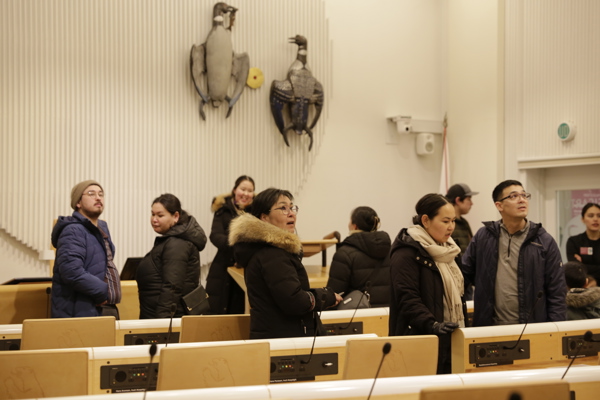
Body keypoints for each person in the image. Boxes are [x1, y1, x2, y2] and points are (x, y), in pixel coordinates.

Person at [229, 188, 342, 339]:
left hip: (281, 335)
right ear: (264, 217)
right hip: (283, 339)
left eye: (292, 208)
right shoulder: (272, 254)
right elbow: (294, 301)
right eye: (283, 208)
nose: (291, 213)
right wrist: (325, 296)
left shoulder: (269, 250)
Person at [461, 179, 566, 327]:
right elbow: (463, 276)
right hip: (489, 328)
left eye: (524, 195)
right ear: (499, 205)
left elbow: (557, 291)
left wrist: (556, 329)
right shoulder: (484, 236)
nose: (522, 200)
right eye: (514, 196)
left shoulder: (543, 240)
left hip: (531, 327)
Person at [389, 193, 465, 374]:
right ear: (425, 220)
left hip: (450, 340)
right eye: (445, 221)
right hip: (419, 339)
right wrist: (432, 324)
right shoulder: (406, 253)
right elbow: (407, 299)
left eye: (453, 221)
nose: (451, 227)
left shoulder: (450, 251)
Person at [51, 180, 121, 318]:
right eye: (91, 194)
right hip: (81, 311)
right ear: (78, 202)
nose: (98, 198)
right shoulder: (73, 230)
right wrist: (103, 291)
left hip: (101, 307)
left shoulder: (100, 229)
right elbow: (72, 272)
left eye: (101, 194)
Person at [136, 194, 207, 319]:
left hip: (167, 320)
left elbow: (172, 287)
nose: (154, 219)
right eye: (152, 214)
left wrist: (162, 321)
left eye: (160, 215)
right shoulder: (171, 240)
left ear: (175, 216)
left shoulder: (177, 243)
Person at [206, 175, 255, 314]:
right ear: (235, 190)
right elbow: (215, 235)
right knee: (216, 311)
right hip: (222, 265)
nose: (246, 193)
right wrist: (237, 247)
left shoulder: (256, 212)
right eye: (243, 189)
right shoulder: (223, 209)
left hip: (246, 268)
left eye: (250, 191)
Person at [327, 206, 391, 307]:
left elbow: (334, 295)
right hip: (387, 312)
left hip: (357, 313)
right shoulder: (390, 250)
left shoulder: (344, 253)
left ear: (355, 226)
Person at [446, 183, 478, 301]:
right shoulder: (446, 225)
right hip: (452, 281)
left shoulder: (464, 223)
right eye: (469, 199)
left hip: (465, 281)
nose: (471, 203)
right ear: (458, 200)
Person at [566, 202, 600, 285]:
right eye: (591, 216)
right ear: (583, 219)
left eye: (599, 216)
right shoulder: (574, 241)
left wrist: (583, 265)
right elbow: (575, 270)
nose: (595, 219)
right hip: (582, 286)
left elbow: (581, 268)